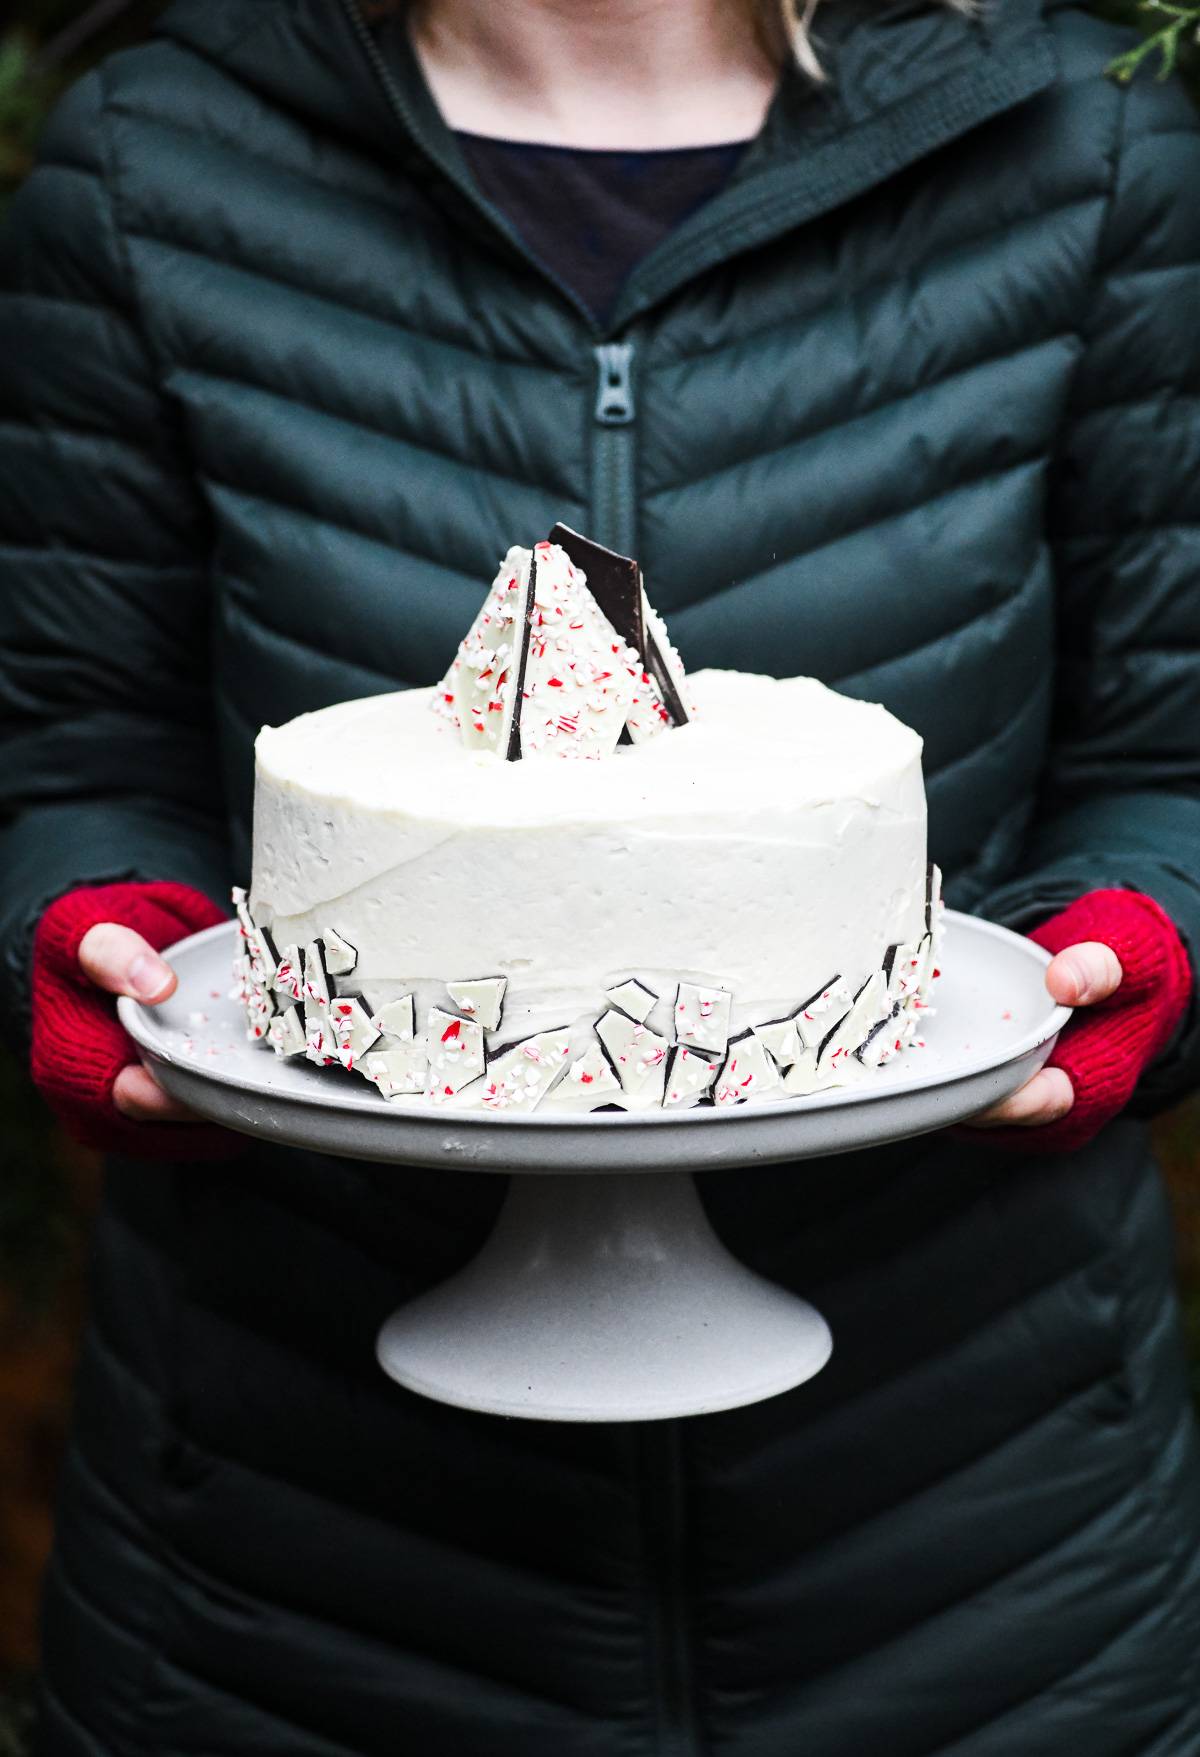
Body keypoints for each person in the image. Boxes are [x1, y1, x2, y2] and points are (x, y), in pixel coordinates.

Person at [2, 0, 1199, 1749]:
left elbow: (1172, 753)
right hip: (282, 1564)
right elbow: (72, 743)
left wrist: (1137, 958)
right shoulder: (147, 164)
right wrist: (111, 941)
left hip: (981, 1548)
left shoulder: (1083, 145)